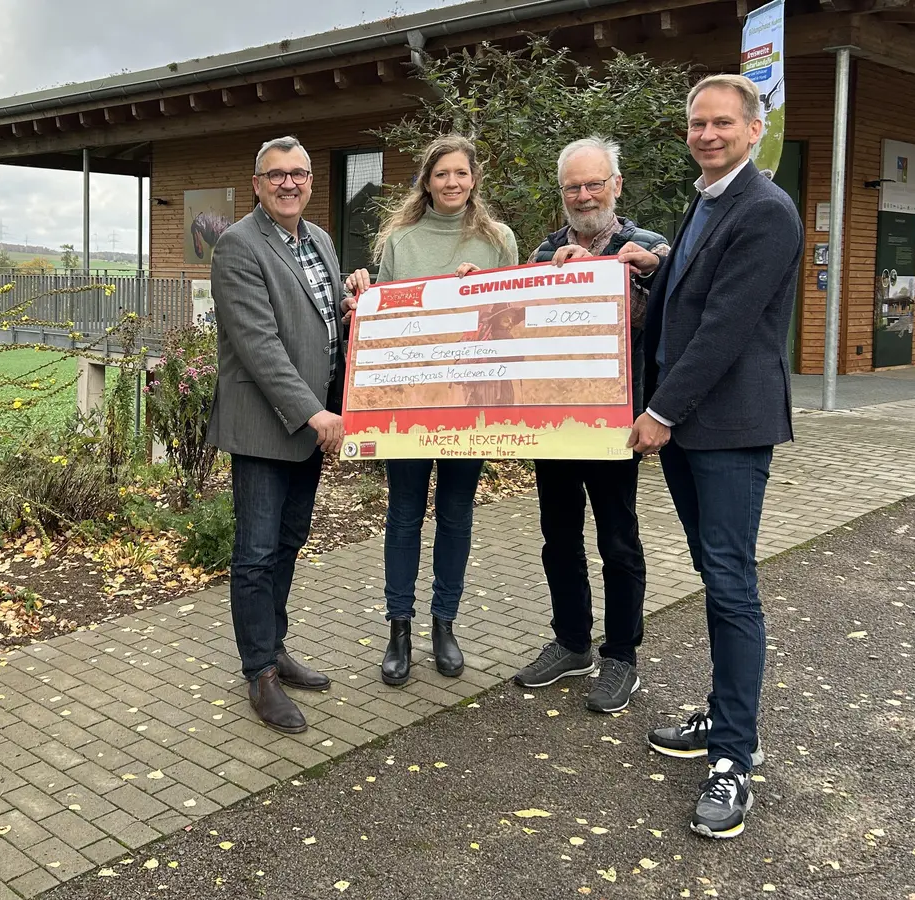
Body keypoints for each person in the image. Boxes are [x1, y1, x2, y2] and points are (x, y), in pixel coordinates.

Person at [632, 74, 802, 839]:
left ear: (754, 130)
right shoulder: (707, 201)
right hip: (691, 430)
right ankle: (724, 715)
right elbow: (686, 296)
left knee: (731, 583)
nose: (707, 134)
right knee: (714, 574)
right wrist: (648, 268)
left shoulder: (765, 210)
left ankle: (735, 756)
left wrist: (660, 412)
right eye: (697, 123)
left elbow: (725, 328)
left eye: (722, 124)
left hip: (724, 429)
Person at [342, 134, 519, 687]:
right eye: (442, 174)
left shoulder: (498, 240)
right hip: (410, 406)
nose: (452, 183)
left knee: (457, 515)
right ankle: (400, 628)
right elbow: (383, 318)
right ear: (426, 181)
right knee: (402, 515)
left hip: (471, 404)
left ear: (474, 180)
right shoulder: (400, 240)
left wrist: (487, 291)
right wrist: (363, 289)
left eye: (461, 174)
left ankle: (445, 624)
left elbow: (515, 318)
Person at [511, 136, 668, 715]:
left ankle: (621, 656)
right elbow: (515, 325)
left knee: (618, 540)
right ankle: (572, 641)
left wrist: (611, 270)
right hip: (552, 421)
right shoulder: (542, 252)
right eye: (573, 186)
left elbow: (675, 307)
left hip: (614, 423)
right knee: (558, 535)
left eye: (593, 183)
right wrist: (473, 290)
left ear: (616, 186)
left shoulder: (650, 248)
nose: (583, 195)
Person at [207, 135, 344, 734]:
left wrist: (359, 299)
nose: (290, 183)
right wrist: (316, 414)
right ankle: (258, 670)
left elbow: (327, 325)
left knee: (288, 543)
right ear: (258, 183)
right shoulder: (238, 246)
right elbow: (259, 345)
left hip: (311, 426)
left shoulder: (321, 241)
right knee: (257, 554)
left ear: (311, 181)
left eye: (300, 173)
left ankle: (275, 644)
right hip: (267, 427)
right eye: (277, 175)